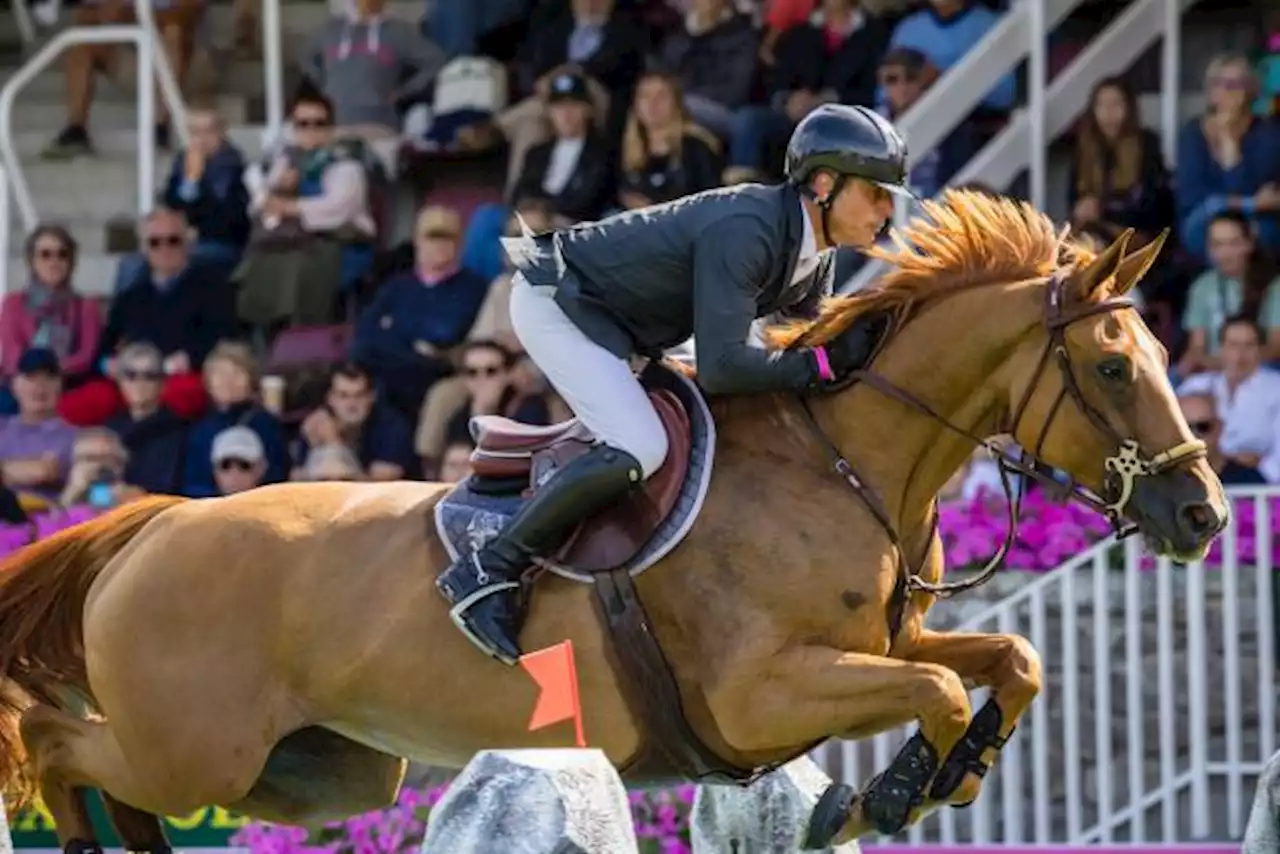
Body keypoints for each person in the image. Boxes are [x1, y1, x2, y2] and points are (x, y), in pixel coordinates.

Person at [436, 103, 906, 664]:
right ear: (824, 184)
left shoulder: (815, 255)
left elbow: (793, 364)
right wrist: (826, 364)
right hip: (562, 302)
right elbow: (726, 367)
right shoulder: (749, 228)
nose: (887, 209)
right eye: (876, 193)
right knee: (642, 444)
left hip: (633, 325)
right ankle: (489, 568)